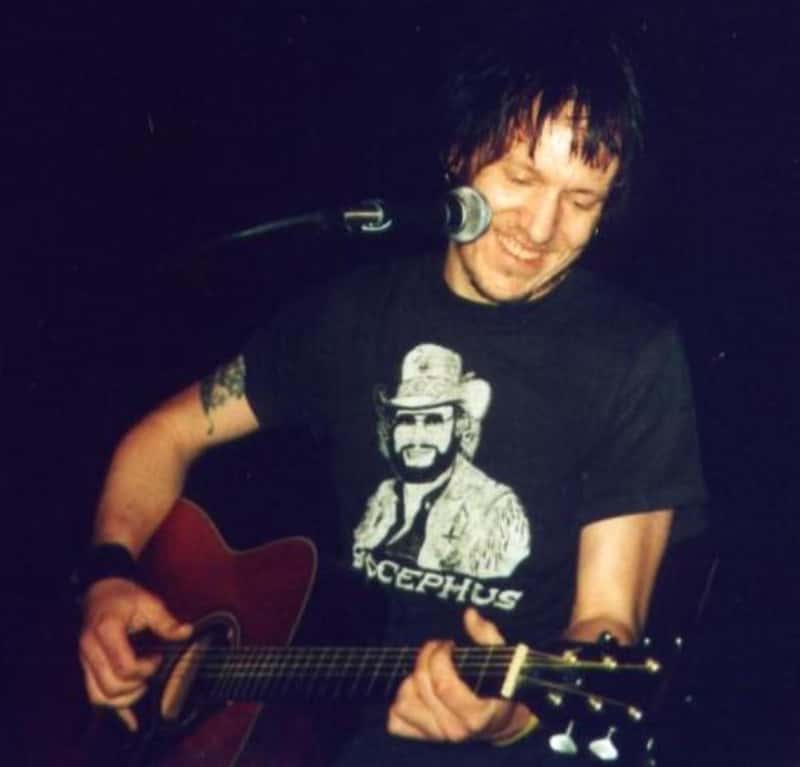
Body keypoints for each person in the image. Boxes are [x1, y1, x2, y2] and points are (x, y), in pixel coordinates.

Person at [77, 23, 706, 766]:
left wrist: (507, 716)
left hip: (534, 732)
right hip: (348, 710)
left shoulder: (633, 352)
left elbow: (608, 623)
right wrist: (108, 577)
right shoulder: (352, 316)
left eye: (582, 199)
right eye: (520, 177)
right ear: (458, 154)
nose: (540, 228)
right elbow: (166, 434)